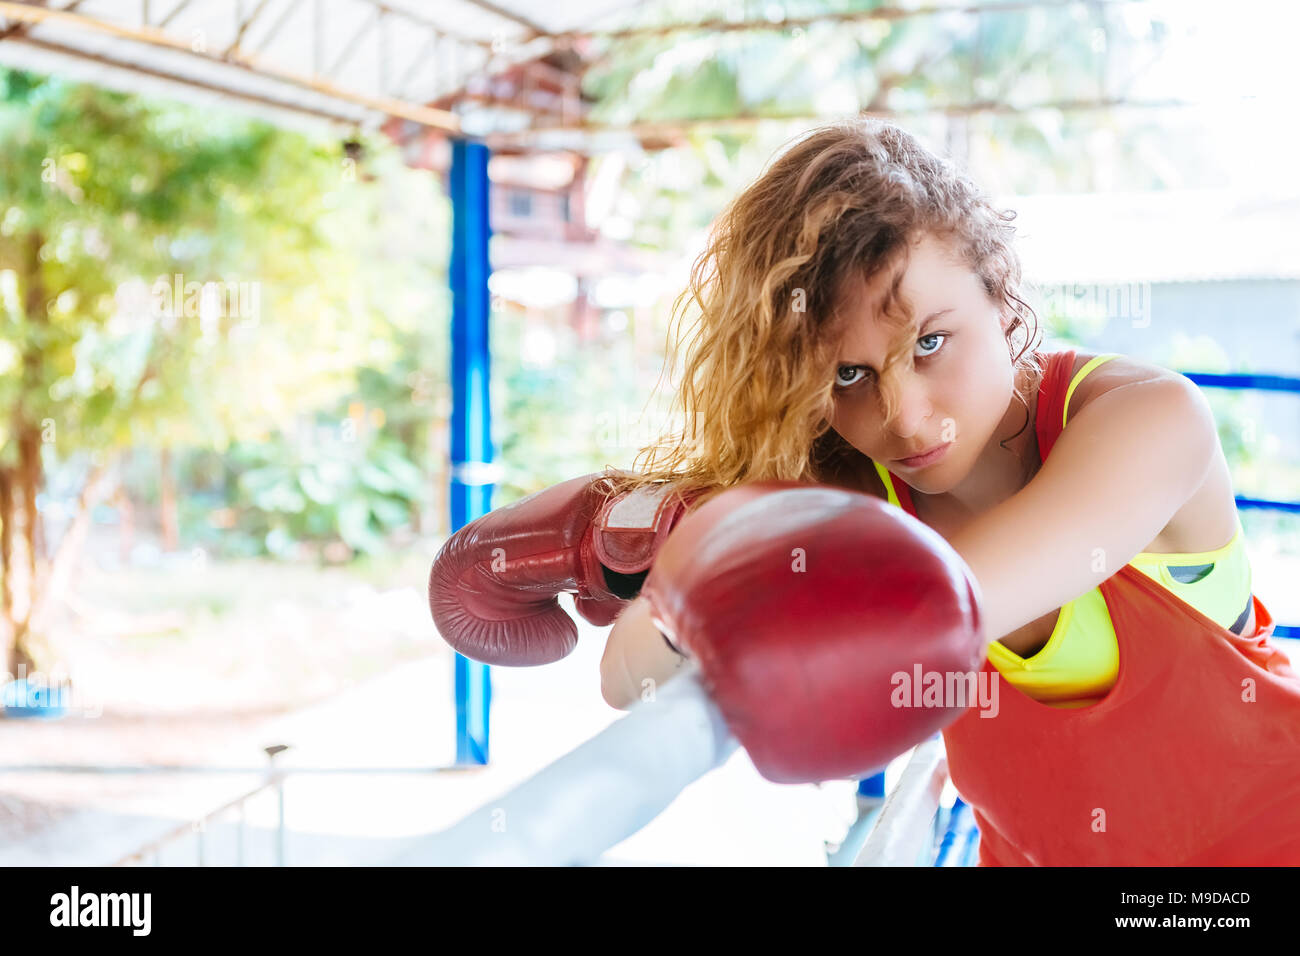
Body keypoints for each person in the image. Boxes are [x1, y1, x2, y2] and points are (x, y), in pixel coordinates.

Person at [599, 118, 1300, 865]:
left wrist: (729, 584)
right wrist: (671, 575)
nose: (903, 417)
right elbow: (628, 677)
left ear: (1000, 295)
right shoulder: (848, 482)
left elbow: (940, 612)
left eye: (929, 343)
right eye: (849, 375)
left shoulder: (1150, 421)